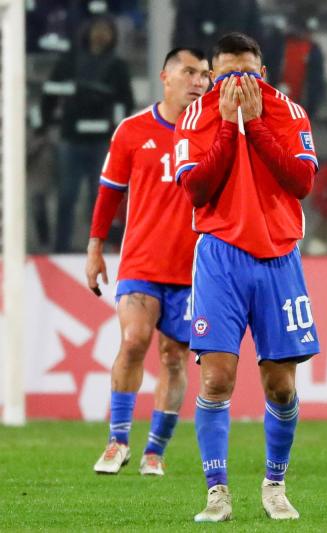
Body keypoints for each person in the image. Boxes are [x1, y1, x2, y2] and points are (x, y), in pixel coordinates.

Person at [174, 32, 320, 522]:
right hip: (220, 257)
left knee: (280, 386)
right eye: (228, 74)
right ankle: (217, 492)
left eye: (248, 73)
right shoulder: (196, 116)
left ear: (264, 74)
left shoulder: (288, 113)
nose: (238, 82)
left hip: (279, 256)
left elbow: (301, 182)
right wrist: (227, 125)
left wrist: (254, 125)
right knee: (217, 378)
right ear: (211, 76)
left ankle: (275, 484)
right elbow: (196, 189)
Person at [86, 48, 210, 476]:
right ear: (165, 76)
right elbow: (109, 191)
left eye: (204, 74)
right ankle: (117, 441)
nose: (198, 81)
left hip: (192, 269)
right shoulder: (133, 130)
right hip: (141, 262)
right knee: (134, 340)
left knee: (174, 357)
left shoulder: (213, 131)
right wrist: (95, 247)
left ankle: (154, 450)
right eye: (189, 72)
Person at [40, 15, 134, 252]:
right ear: (88, 32)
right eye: (97, 29)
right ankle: (61, 247)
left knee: (99, 197)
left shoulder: (118, 66)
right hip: (71, 138)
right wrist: (44, 123)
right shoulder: (69, 61)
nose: (101, 35)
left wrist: (117, 131)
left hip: (102, 141)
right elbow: (49, 95)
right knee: (66, 196)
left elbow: (126, 101)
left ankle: (98, 247)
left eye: (106, 30)